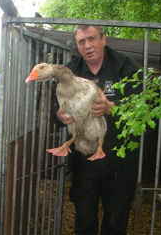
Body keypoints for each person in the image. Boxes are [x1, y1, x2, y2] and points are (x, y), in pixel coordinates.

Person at [54, 25, 142, 234]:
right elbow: (54, 109)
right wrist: (59, 115)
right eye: (81, 42)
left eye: (92, 39)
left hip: (120, 157)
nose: (88, 46)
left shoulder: (125, 66)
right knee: (84, 220)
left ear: (104, 39)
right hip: (84, 157)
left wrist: (113, 108)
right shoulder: (70, 70)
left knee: (115, 220)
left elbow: (141, 107)